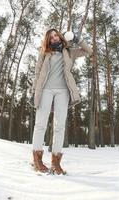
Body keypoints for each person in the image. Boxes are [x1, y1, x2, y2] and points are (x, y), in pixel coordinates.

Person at [31, 28, 93, 175]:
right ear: (48, 40)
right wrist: (34, 91)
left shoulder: (69, 51)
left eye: (55, 35)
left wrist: (78, 38)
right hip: (45, 89)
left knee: (60, 127)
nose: (54, 38)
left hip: (63, 92)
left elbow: (89, 51)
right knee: (40, 125)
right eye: (51, 37)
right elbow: (38, 71)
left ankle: (55, 163)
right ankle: (37, 161)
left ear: (60, 36)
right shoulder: (44, 52)